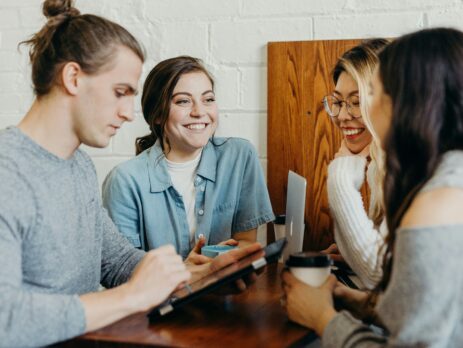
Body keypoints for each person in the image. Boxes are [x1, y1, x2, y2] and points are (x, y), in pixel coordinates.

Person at [0, 1, 261, 346]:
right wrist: (132, 297)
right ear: (73, 77)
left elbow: (118, 261)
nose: (127, 113)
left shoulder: (78, 166)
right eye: (120, 92)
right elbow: (6, 320)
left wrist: (193, 276)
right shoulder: (9, 174)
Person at [282, 27, 463, 346]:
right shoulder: (445, 176)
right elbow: (426, 310)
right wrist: (360, 303)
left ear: (410, 103)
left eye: (373, 93)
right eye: (339, 102)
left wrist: (323, 318)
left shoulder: (438, 202)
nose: (349, 114)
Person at [102, 56, 275, 263]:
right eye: (183, 101)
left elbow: (246, 242)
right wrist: (188, 271)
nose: (199, 112)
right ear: (157, 114)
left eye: (208, 99)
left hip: (226, 290)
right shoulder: (124, 180)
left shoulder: (239, 156)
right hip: (163, 295)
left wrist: (221, 259)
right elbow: (123, 268)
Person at [322, 39, 389, 289]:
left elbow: (378, 275)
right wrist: (351, 254)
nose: (341, 115)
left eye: (356, 101)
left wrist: (341, 174)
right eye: (338, 102)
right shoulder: (379, 166)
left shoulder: (409, 169)